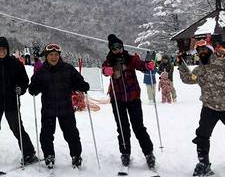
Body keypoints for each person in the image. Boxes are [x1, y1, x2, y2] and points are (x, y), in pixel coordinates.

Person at [178, 39, 225, 177]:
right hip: (209, 107)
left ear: (211, 50)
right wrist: (181, 64)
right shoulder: (200, 69)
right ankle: (203, 163)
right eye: (199, 51)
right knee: (202, 135)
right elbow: (188, 79)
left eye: (204, 49)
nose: (202, 52)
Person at [0, 37, 38, 167]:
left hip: (11, 102)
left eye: (4, 49)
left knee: (17, 128)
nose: (1, 51)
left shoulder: (15, 64)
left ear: (7, 50)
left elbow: (24, 80)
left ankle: (28, 153)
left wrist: (20, 88)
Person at [28, 43, 89, 169]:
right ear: (46, 56)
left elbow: (77, 81)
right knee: (46, 135)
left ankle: (76, 155)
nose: (54, 57)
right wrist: (33, 88)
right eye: (51, 54)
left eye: (56, 54)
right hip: (48, 109)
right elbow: (33, 87)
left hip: (66, 108)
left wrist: (82, 85)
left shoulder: (68, 69)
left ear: (59, 55)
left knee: (71, 134)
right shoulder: (41, 71)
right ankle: (49, 155)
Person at [101, 34, 157, 169]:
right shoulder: (109, 61)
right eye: (114, 48)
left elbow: (140, 65)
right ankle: (125, 152)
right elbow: (104, 70)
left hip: (133, 98)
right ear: (111, 49)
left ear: (122, 47)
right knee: (122, 128)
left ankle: (148, 153)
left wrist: (148, 65)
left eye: (119, 47)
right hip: (118, 99)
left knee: (139, 127)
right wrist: (107, 70)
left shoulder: (130, 58)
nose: (117, 50)